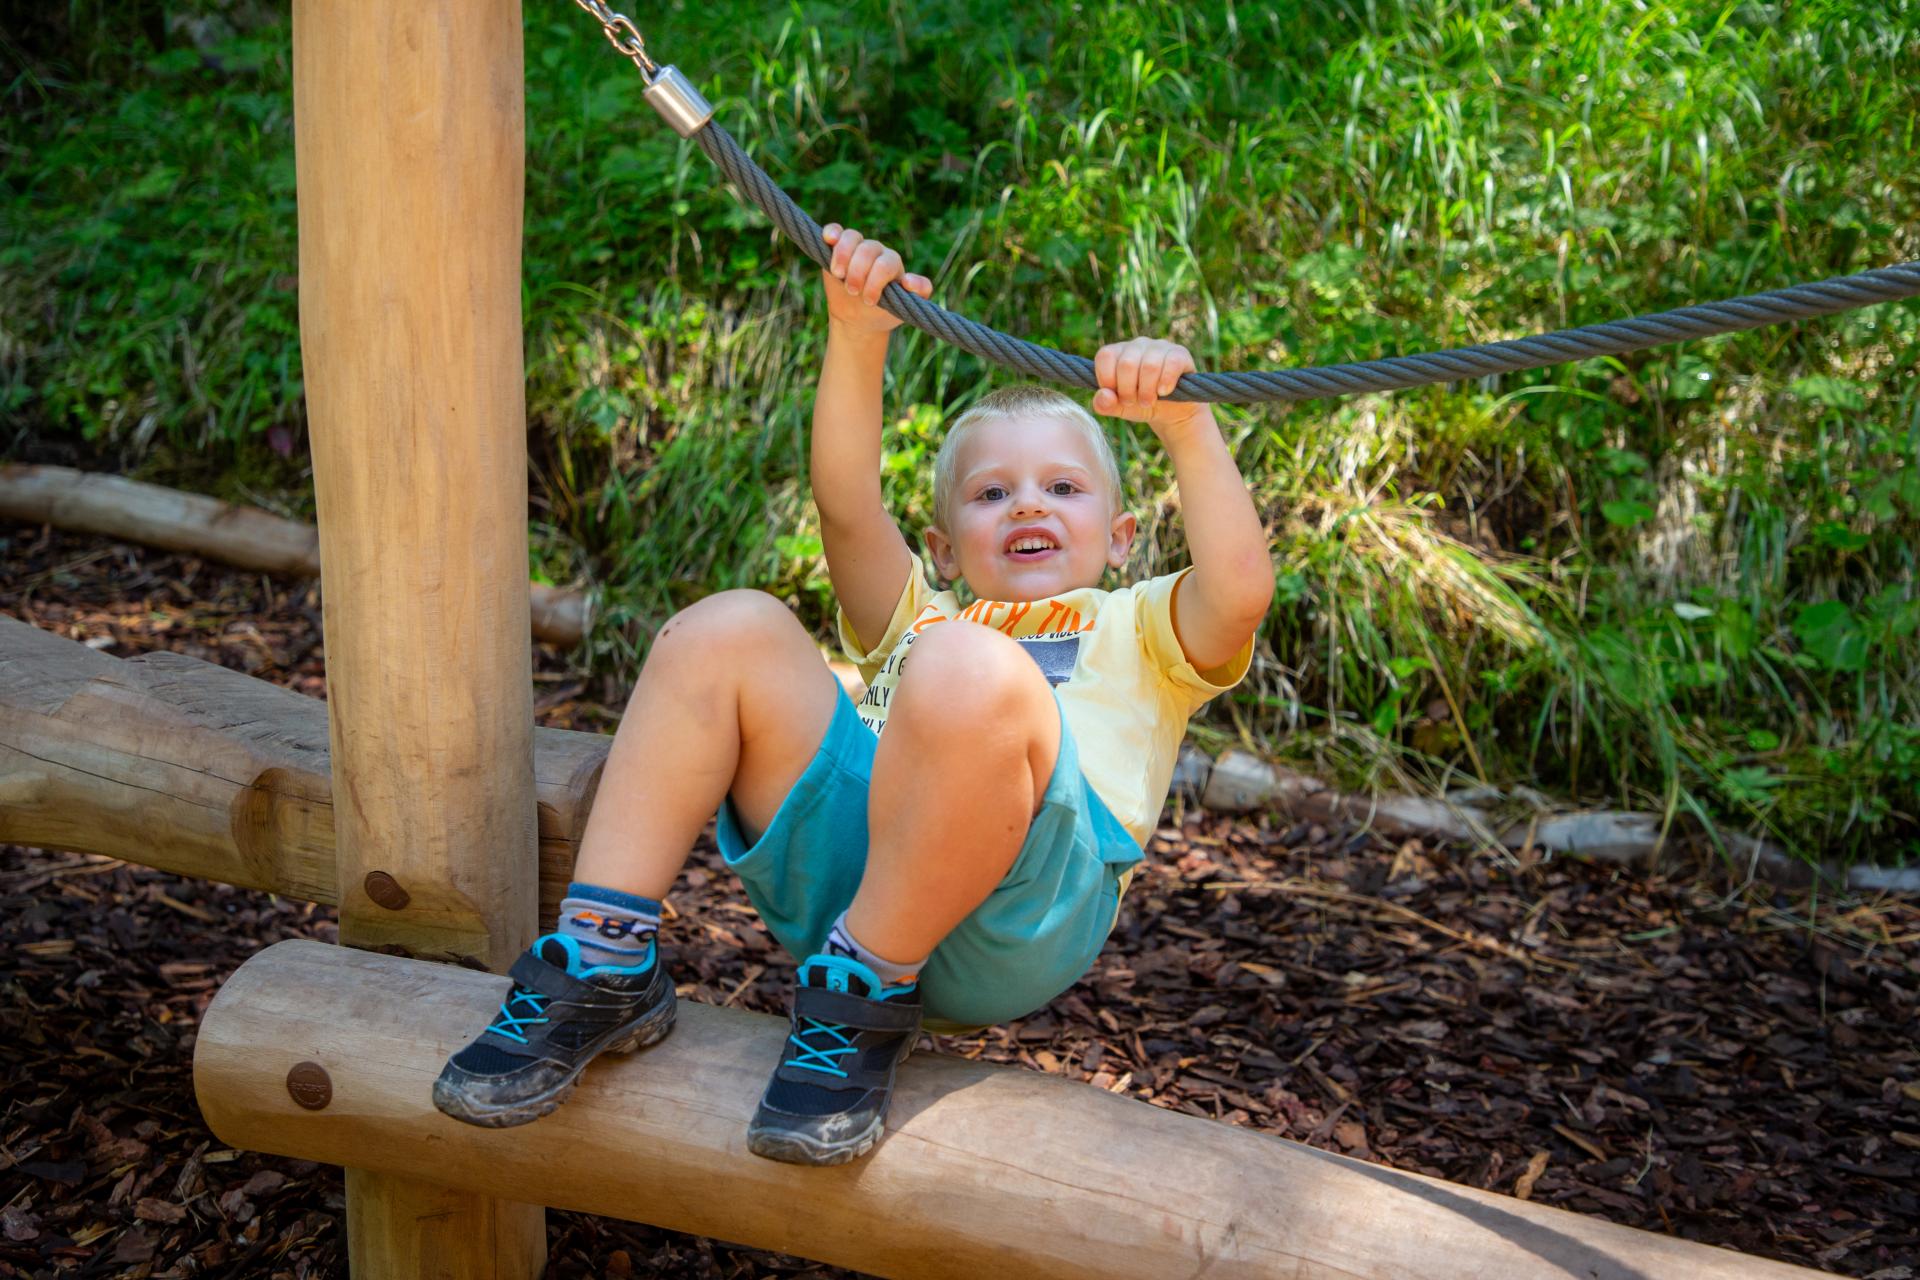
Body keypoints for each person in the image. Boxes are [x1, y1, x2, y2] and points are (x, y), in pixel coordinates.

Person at [432, 225, 1273, 1166]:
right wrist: (855, 332)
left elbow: (1240, 589)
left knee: (964, 669)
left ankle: (869, 991)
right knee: (726, 629)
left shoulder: (1141, 627)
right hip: (852, 882)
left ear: (1119, 537)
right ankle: (600, 957)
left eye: (1062, 487)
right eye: (992, 494)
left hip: (1021, 917)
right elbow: (844, 506)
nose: (1028, 505)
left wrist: (1185, 425)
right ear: (945, 550)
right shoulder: (922, 617)